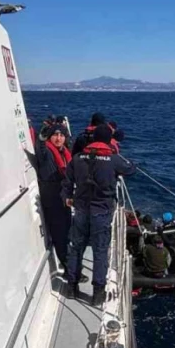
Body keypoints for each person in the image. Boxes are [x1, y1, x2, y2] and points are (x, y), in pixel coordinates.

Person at [61, 123, 137, 305]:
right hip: (101, 212)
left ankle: (71, 287)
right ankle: (97, 294)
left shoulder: (77, 158)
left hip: (80, 209)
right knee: (100, 251)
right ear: (107, 140)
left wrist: (67, 198)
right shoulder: (113, 159)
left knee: (76, 247)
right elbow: (130, 169)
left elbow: (67, 182)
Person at [36, 123, 84, 281]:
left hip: (63, 198)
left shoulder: (63, 152)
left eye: (61, 135)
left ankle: (72, 267)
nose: (58, 138)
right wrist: (41, 139)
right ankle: (72, 272)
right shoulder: (48, 151)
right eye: (55, 135)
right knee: (60, 236)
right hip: (52, 199)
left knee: (68, 234)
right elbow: (40, 151)